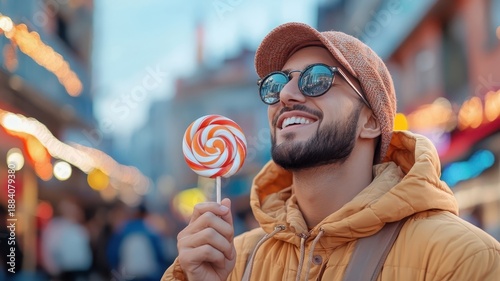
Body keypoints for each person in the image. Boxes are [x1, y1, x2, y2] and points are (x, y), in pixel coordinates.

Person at [162, 22, 500, 280]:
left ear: (370, 122)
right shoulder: (232, 258)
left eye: (317, 78)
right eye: (276, 83)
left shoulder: (462, 258)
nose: (286, 95)